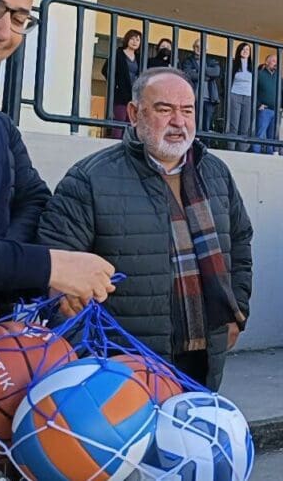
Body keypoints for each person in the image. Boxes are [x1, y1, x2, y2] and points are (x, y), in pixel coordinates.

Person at [38, 68, 254, 390]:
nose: (179, 122)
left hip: (205, 357)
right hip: (121, 367)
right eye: (165, 109)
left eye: (187, 110)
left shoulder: (216, 173)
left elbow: (239, 241)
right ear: (134, 113)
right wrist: (89, 360)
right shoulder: (89, 179)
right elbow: (57, 279)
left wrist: (237, 311)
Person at [0, 0, 115, 306]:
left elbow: (34, 199)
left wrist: (8, 264)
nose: (3, 30)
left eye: (19, 18)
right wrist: (46, 267)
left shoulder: (2, 129)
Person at [101, 29, 141, 139]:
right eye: (132, 39)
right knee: (119, 121)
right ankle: (116, 144)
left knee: (130, 123)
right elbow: (105, 70)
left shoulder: (139, 57)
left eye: (137, 40)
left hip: (134, 95)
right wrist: (116, 84)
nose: (135, 42)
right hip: (120, 94)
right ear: (127, 39)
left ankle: (126, 145)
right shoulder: (118, 53)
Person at [180, 38, 221, 133]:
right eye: (197, 46)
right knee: (192, 124)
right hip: (193, 98)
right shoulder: (188, 61)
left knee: (206, 127)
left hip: (209, 99)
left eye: (202, 47)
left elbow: (216, 72)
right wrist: (206, 75)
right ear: (193, 48)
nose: (199, 49)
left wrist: (198, 71)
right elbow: (188, 74)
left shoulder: (211, 60)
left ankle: (205, 142)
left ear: (206, 50)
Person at [227, 43, 254, 152]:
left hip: (248, 97)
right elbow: (227, 80)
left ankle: (242, 151)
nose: (245, 51)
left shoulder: (252, 66)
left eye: (247, 49)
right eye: (243, 49)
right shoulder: (233, 64)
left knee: (245, 126)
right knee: (233, 125)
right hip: (235, 95)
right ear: (239, 51)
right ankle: (231, 149)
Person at [253, 54, 279, 154]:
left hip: (276, 110)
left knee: (272, 136)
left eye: (277, 61)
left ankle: (270, 155)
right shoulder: (259, 74)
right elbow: (253, 90)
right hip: (264, 110)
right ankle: (256, 155)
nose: (276, 63)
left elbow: (281, 92)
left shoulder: (278, 77)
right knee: (260, 134)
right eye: (273, 61)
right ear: (267, 62)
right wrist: (258, 104)